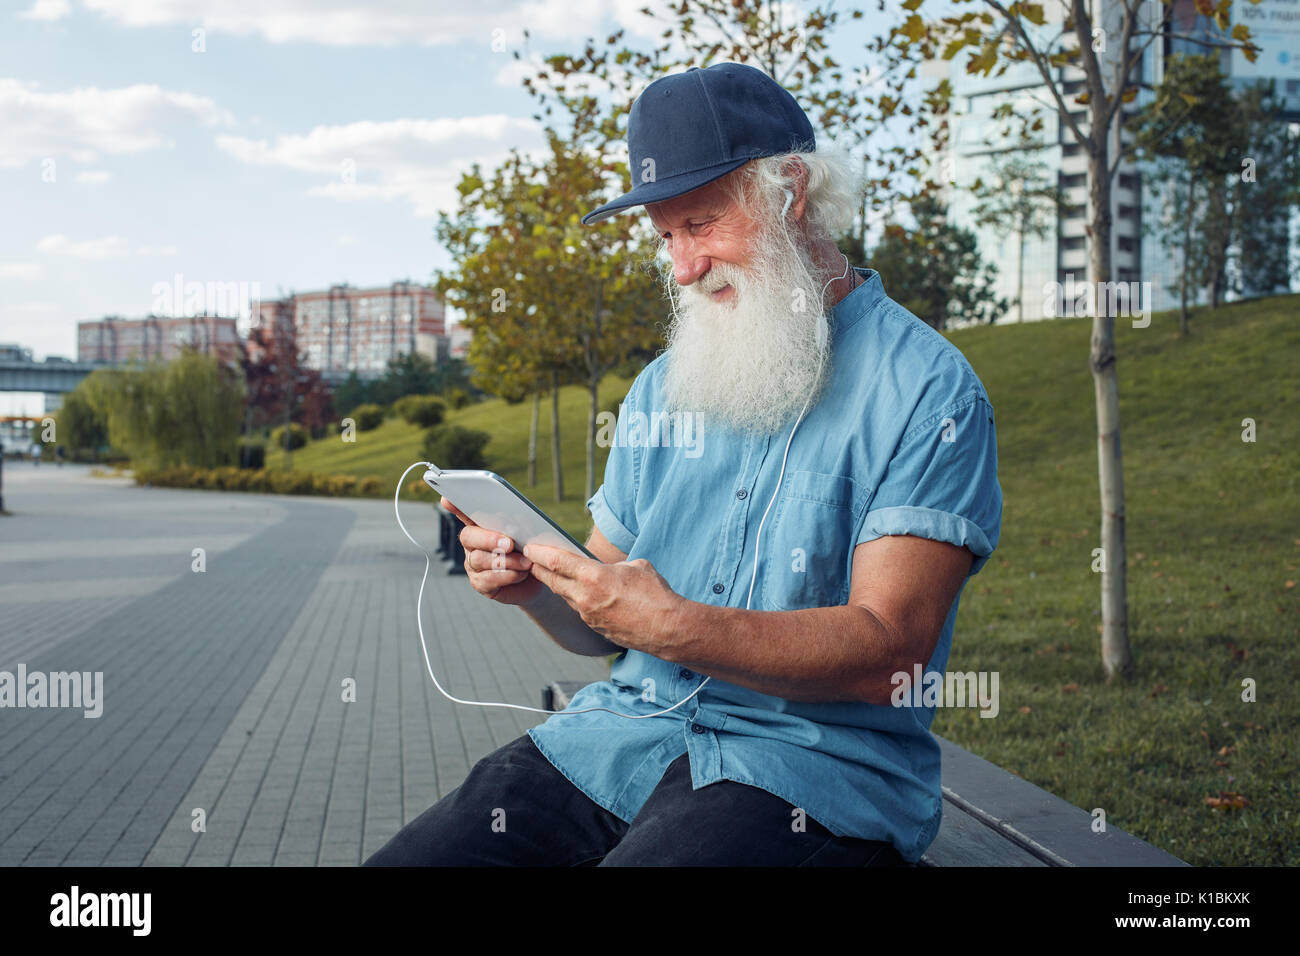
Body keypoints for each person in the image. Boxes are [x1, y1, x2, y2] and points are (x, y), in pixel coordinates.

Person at [366, 62, 1002, 867]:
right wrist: (535, 586)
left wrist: (676, 626)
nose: (682, 267)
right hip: (623, 739)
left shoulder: (927, 389)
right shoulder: (661, 388)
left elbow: (892, 656)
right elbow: (598, 626)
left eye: (700, 224)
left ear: (791, 193)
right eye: (666, 236)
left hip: (812, 773)